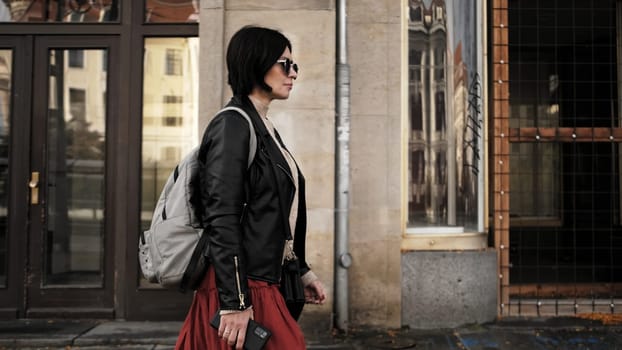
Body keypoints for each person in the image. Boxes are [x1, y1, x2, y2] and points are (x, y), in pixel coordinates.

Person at [175, 25, 326, 350]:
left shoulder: (262, 127)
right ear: (257, 64)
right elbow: (222, 216)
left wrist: (301, 271)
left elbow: (268, 216)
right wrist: (235, 302)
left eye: (294, 65)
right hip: (240, 285)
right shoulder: (232, 125)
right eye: (285, 64)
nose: (294, 73)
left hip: (262, 279)